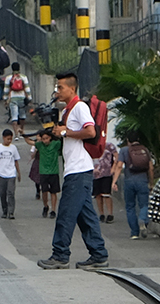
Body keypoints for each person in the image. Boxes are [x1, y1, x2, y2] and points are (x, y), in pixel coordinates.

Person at [38, 71, 109, 269]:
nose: (57, 91)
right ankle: (99, 254)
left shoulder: (79, 107)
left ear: (72, 88)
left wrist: (66, 132)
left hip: (78, 171)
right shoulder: (66, 111)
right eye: (56, 88)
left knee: (66, 213)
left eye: (60, 87)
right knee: (86, 216)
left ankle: (60, 255)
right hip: (77, 170)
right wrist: (60, 133)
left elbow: (90, 131)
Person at [120, 133, 153, 239]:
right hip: (142, 181)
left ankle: (134, 233)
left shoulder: (124, 150)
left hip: (129, 181)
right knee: (144, 205)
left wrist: (114, 181)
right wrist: (151, 182)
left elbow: (119, 165)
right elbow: (150, 168)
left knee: (130, 206)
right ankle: (143, 220)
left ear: (127, 140)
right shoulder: (145, 150)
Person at [27, 125, 61, 216]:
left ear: (50, 137)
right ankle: (45, 206)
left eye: (47, 138)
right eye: (43, 139)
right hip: (43, 172)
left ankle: (53, 210)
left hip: (54, 171)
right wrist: (24, 134)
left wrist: (56, 132)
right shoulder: (40, 145)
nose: (45, 140)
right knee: (44, 191)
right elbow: (29, 142)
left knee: (54, 192)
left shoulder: (56, 144)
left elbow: (61, 139)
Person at [0, 128, 23, 218]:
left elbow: (16, 161)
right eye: (7, 138)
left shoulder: (13, 148)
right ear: (3, 138)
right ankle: (4, 210)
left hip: (11, 173)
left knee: (11, 193)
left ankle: (11, 211)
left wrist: (18, 173)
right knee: (2, 193)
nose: (9, 141)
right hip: (1, 173)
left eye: (10, 139)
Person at [93, 138, 118, 222]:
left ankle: (110, 214)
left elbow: (116, 156)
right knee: (98, 195)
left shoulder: (109, 145)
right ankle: (101, 214)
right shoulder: (92, 146)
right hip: (95, 173)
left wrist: (114, 167)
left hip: (107, 173)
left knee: (106, 194)